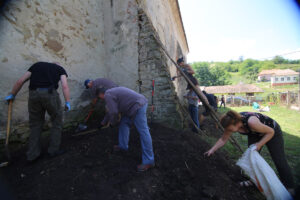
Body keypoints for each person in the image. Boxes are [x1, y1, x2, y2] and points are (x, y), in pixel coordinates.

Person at [204, 110, 295, 194]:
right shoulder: (231, 123)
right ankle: (254, 181)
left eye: (230, 129)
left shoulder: (251, 122)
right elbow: (223, 139)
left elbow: (271, 132)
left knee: (279, 160)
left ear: (236, 123)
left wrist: (259, 144)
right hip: (254, 133)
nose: (229, 131)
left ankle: (290, 187)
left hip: (271, 131)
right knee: (252, 159)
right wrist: (212, 150)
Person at [5, 62, 70, 161]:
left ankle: (33, 155)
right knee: (57, 121)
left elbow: (20, 81)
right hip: (50, 94)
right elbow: (65, 86)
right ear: (58, 65)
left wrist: (12, 94)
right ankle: (53, 150)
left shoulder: (37, 65)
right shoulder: (60, 69)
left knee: (35, 124)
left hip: (33, 94)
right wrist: (67, 102)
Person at [97, 86, 155, 172]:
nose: (101, 99)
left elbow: (114, 112)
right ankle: (123, 146)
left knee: (143, 131)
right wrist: (103, 123)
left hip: (138, 106)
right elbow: (111, 111)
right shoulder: (111, 92)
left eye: (99, 97)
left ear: (101, 94)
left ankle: (149, 161)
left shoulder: (108, 95)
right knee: (124, 124)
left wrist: (113, 123)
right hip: (133, 106)